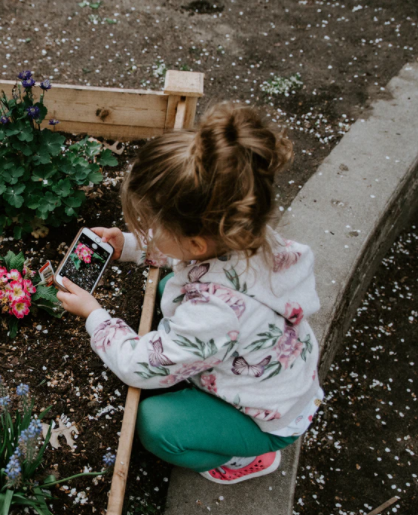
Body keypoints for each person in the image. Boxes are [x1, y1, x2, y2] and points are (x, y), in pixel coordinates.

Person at [56, 102, 323, 484]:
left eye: (151, 224)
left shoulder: (213, 313)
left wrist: (95, 315)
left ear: (197, 242)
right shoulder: (248, 234)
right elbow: (187, 255)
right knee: (169, 287)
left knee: (155, 425)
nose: (146, 228)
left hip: (266, 417)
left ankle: (243, 458)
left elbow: (139, 366)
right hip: (273, 374)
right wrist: (129, 246)